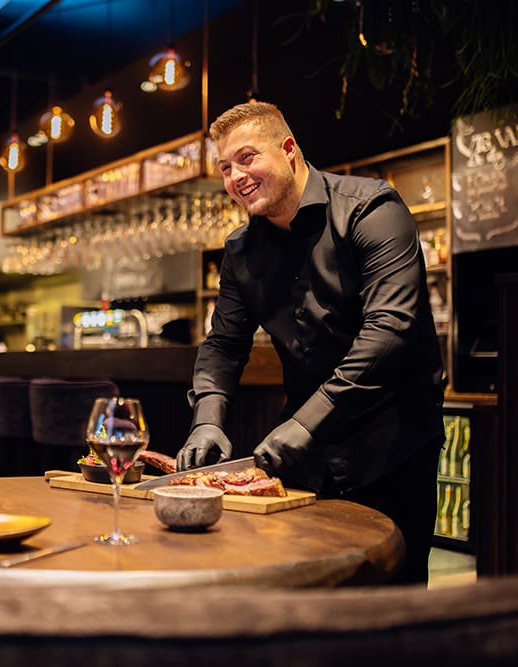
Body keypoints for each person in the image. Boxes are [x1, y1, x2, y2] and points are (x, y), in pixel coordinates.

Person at [175, 102, 446, 585]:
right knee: (302, 592)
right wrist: (206, 420)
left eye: (247, 158)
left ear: (289, 150)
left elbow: (391, 329)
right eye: (225, 167)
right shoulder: (240, 251)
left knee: (389, 603)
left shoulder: (372, 209)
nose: (236, 176)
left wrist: (307, 421)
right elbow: (223, 344)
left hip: (391, 446)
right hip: (305, 455)